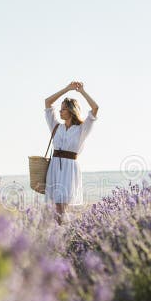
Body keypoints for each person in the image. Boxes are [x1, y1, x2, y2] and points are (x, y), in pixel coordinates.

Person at [43, 81, 99, 225]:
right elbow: (48, 102)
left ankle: (63, 232)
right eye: (60, 109)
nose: (60, 111)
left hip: (69, 168)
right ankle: (60, 232)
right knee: (57, 206)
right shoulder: (56, 126)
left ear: (71, 111)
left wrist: (82, 92)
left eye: (63, 109)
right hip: (55, 166)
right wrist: (67, 89)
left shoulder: (81, 129)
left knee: (62, 206)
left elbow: (95, 108)